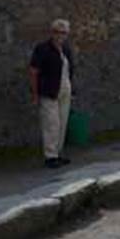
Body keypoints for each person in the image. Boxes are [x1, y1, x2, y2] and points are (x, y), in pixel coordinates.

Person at [29, 19, 75, 168]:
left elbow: (69, 70)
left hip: (64, 88)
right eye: (57, 32)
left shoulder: (66, 49)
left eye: (64, 33)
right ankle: (50, 156)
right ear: (52, 32)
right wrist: (35, 94)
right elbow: (34, 71)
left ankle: (58, 153)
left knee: (62, 122)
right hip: (48, 89)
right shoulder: (42, 48)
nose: (60, 35)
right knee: (51, 123)